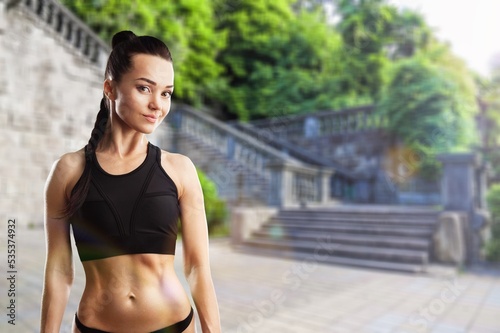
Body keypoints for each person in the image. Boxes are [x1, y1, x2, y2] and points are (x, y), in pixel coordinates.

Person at [40, 30, 221, 333]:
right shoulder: (68, 171)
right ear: (110, 89)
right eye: (144, 88)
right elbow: (59, 271)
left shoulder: (179, 170)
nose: (157, 105)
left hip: (174, 325)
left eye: (166, 93)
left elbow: (197, 268)